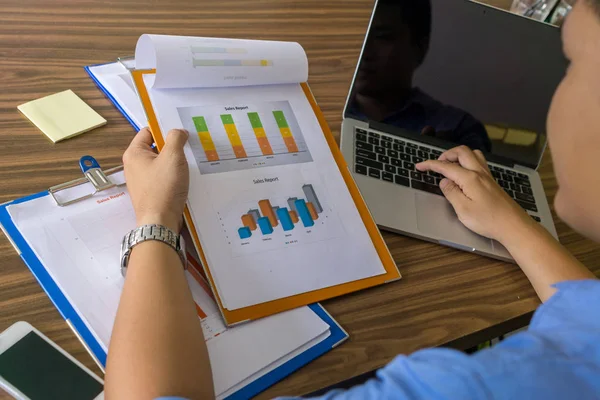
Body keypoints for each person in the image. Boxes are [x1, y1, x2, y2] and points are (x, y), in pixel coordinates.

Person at [104, 1, 600, 398]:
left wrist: (155, 216)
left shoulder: (459, 386)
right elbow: (588, 317)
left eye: (573, 65)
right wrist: (513, 224)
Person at [346, 0, 492, 152]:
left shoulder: (458, 128)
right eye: (361, 34)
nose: (365, 51)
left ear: (419, 48)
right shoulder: (328, 115)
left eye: (383, 37)